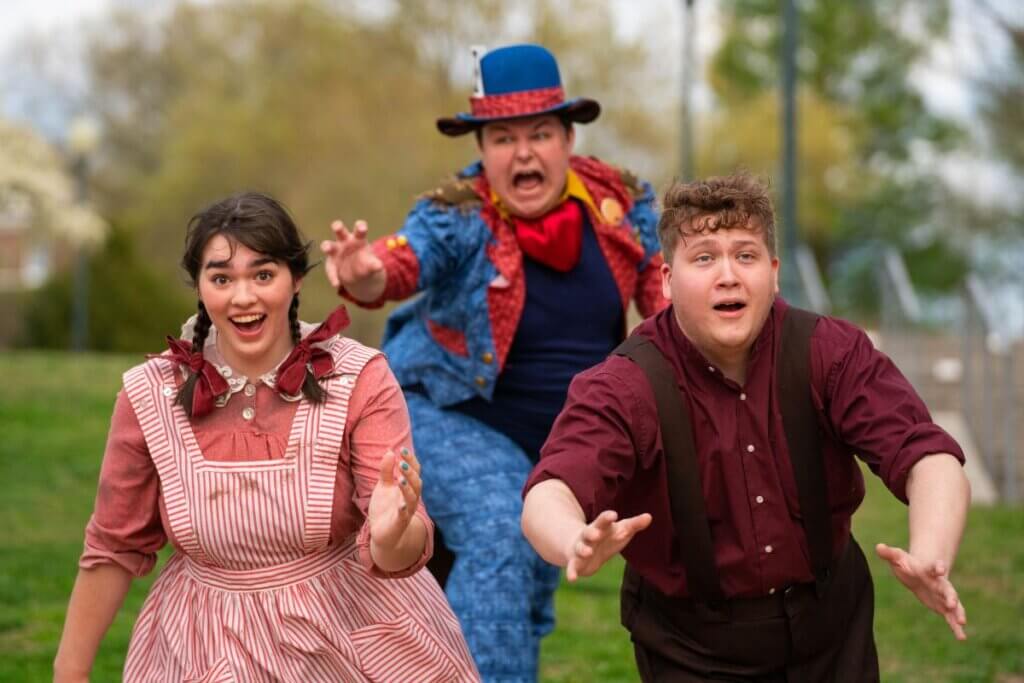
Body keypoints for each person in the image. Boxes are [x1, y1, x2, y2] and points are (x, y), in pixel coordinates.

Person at [521, 173, 971, 682]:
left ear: (774, 273)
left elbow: (927, 456)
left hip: (831, 626)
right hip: (692, 645)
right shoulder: (624, 384)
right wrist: (573, 539)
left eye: (746, 255)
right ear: (667, 280)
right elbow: (550, 490)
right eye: (706, 257)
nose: (729, 275)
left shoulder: (830, 352)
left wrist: (931, 553)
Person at [321, 43, 667, 682]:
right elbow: (399, 265)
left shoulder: (622, 203)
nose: (524, 152)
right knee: (504, 529)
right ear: (482, 150)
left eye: (539, 133)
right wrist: (364, 274)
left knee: (533, 571)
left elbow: (666, 303)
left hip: (563, 439)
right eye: (503, 138)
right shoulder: (457, 210)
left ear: (568, 139)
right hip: (440, 412)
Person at [53, 192, 479, 682]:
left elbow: (401, 550)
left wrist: (390, 532)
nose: (243, 297)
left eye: (263, 274)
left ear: (295, 280)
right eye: (221, 278)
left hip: (351, 631)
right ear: (200, 288)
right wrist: (71, 670)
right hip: (205, 647)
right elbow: (113, 545)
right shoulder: (149, 396)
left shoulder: (360, 378)